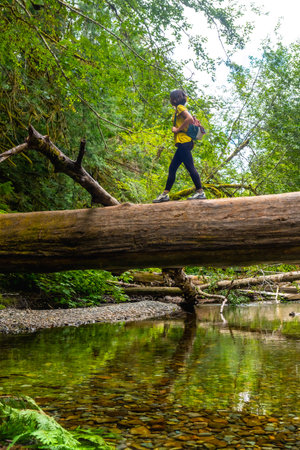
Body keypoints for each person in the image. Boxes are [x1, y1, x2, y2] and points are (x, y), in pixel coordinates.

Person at [153, 89, 206, 203]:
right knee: (173, 168)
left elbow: (189, 119)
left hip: (184, 142)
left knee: (189, 167)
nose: (170, 100)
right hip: (184, 143)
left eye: (171, 98)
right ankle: (165, 194)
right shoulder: (180, 109)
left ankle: (200, 192)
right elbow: (189, 121)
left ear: (175, 99)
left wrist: (177, 129)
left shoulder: (180, 108)